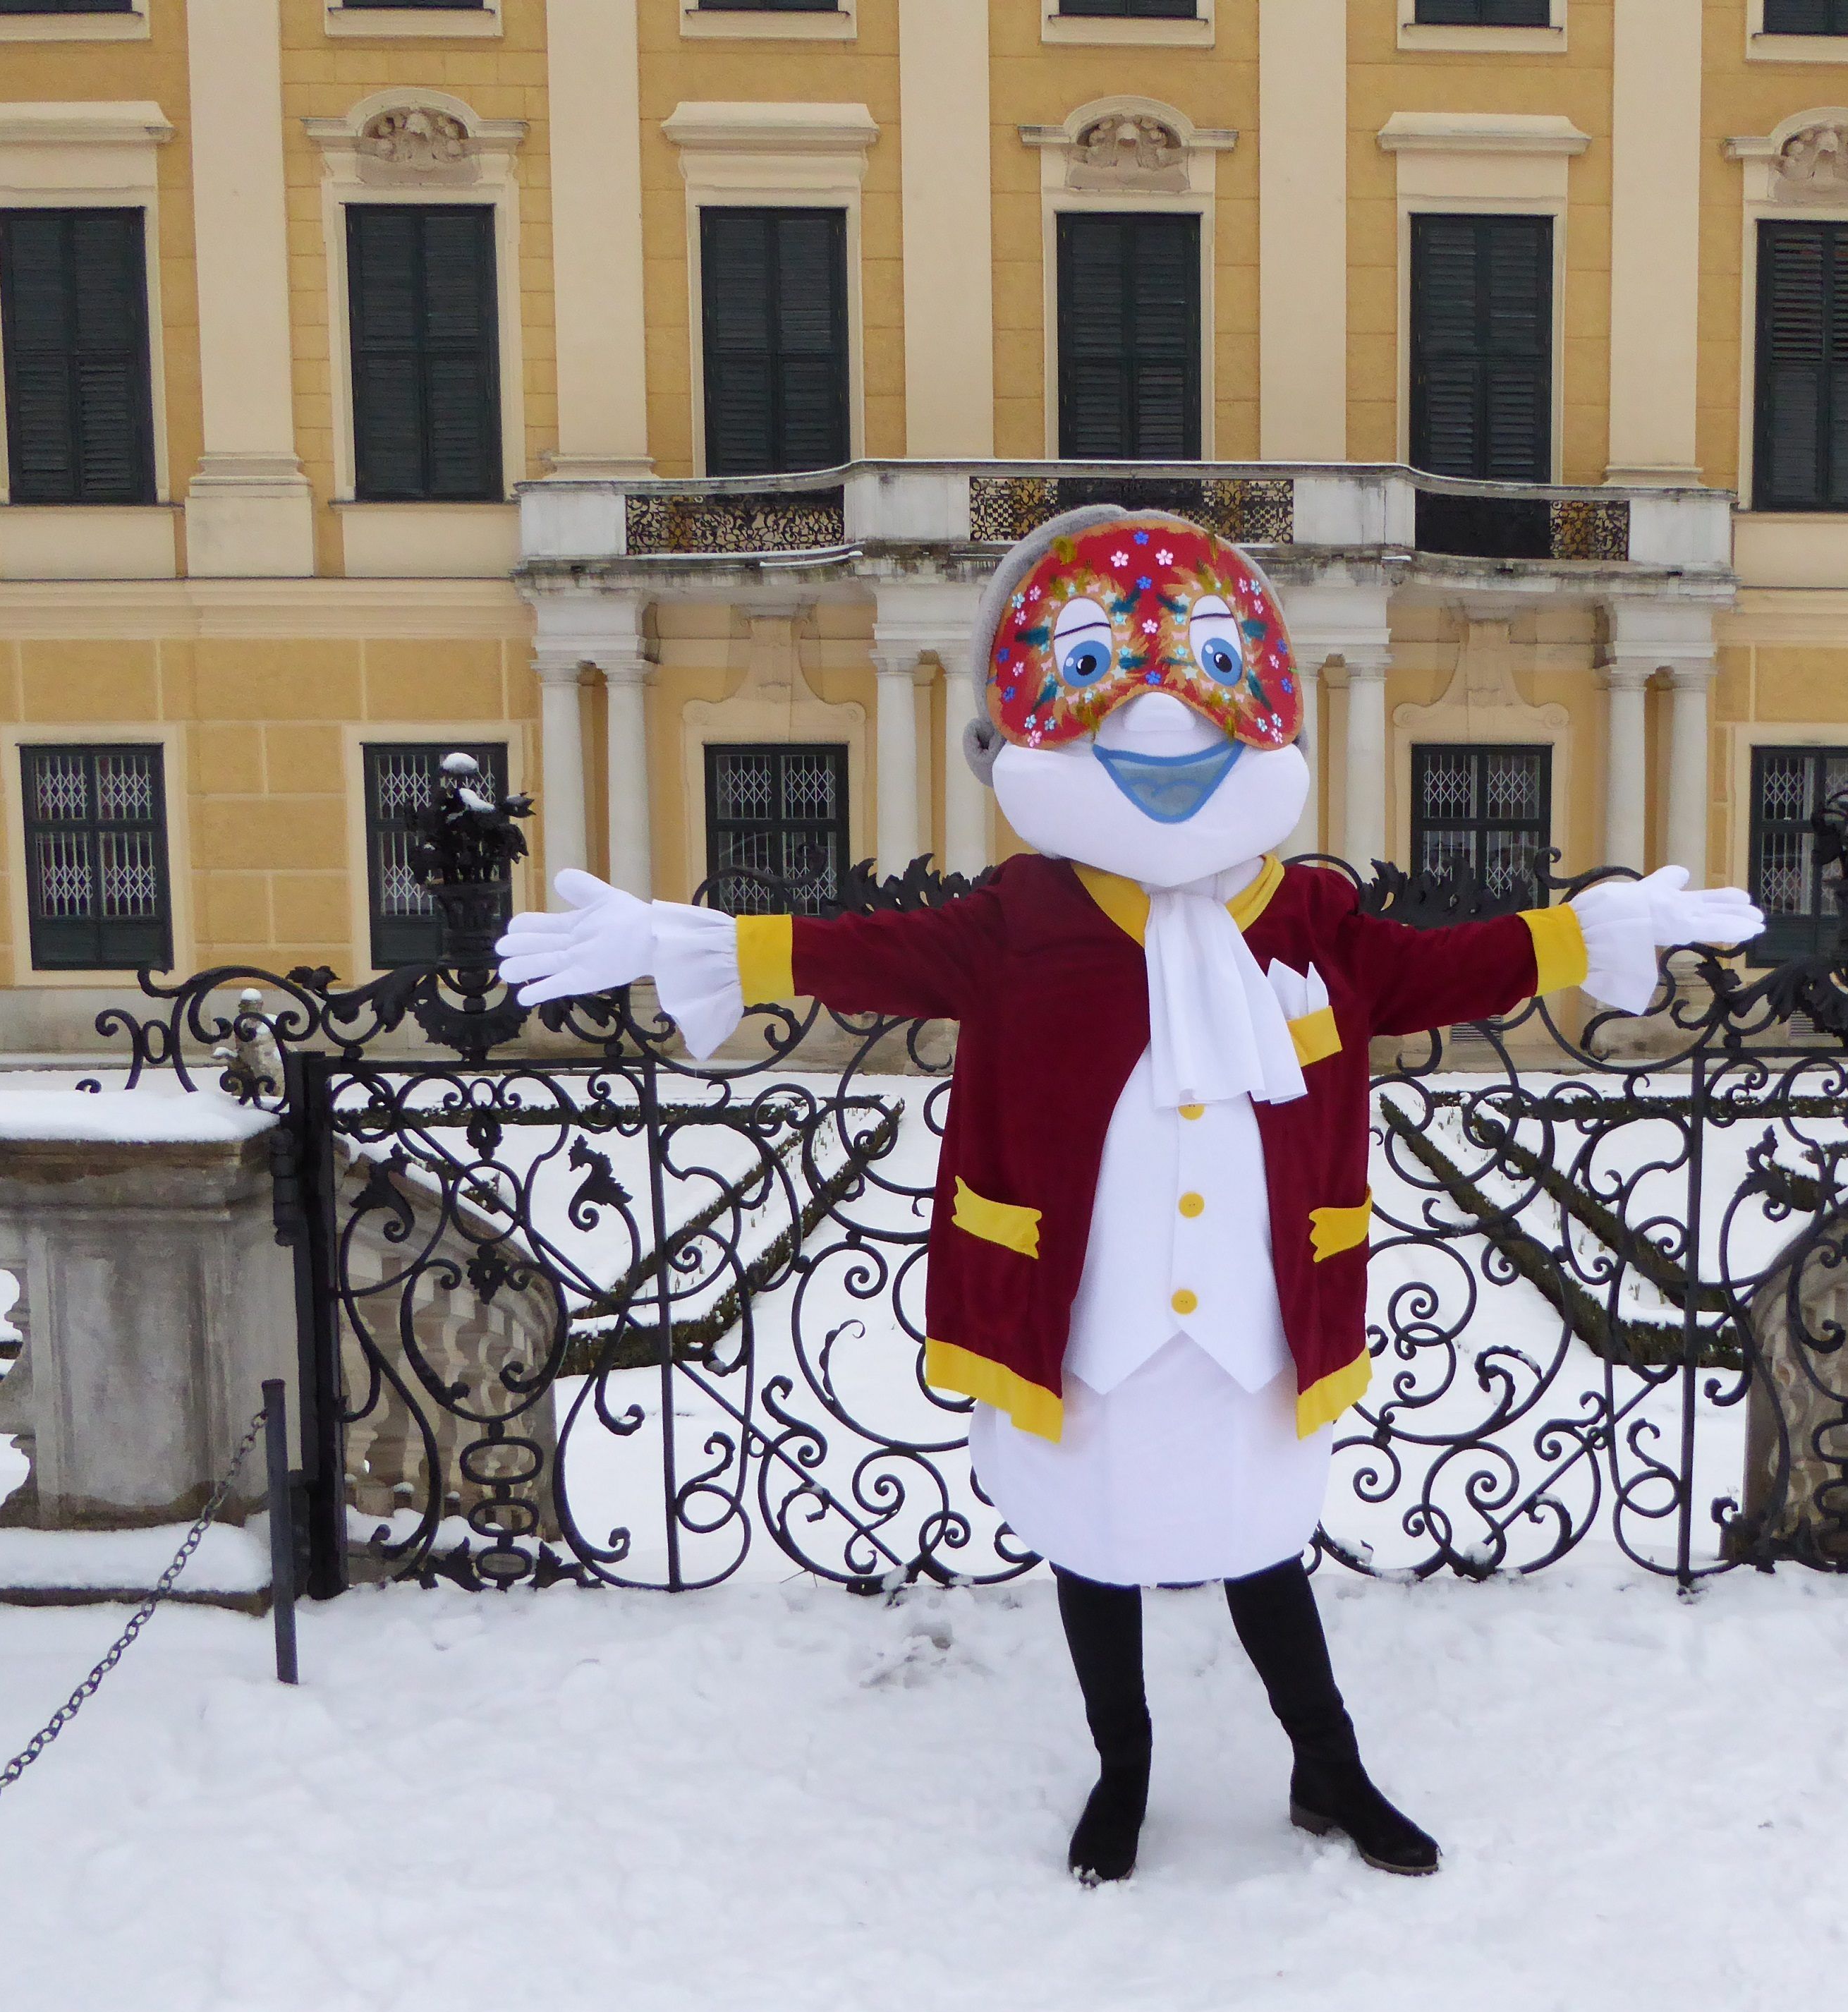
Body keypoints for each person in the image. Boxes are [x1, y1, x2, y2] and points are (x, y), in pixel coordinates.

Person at [498, 508, 1764, 1883]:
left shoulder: (1310, 921)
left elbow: (1453, 968)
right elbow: (848, 951)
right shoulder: (1021, 920)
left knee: (1263, 1554)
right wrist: (693, 944)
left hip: (1254, 1331)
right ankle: (1125, 1768)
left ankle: (1327, 1768)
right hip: (1084, 1322)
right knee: (1096, 1554)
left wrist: (1595, 927)